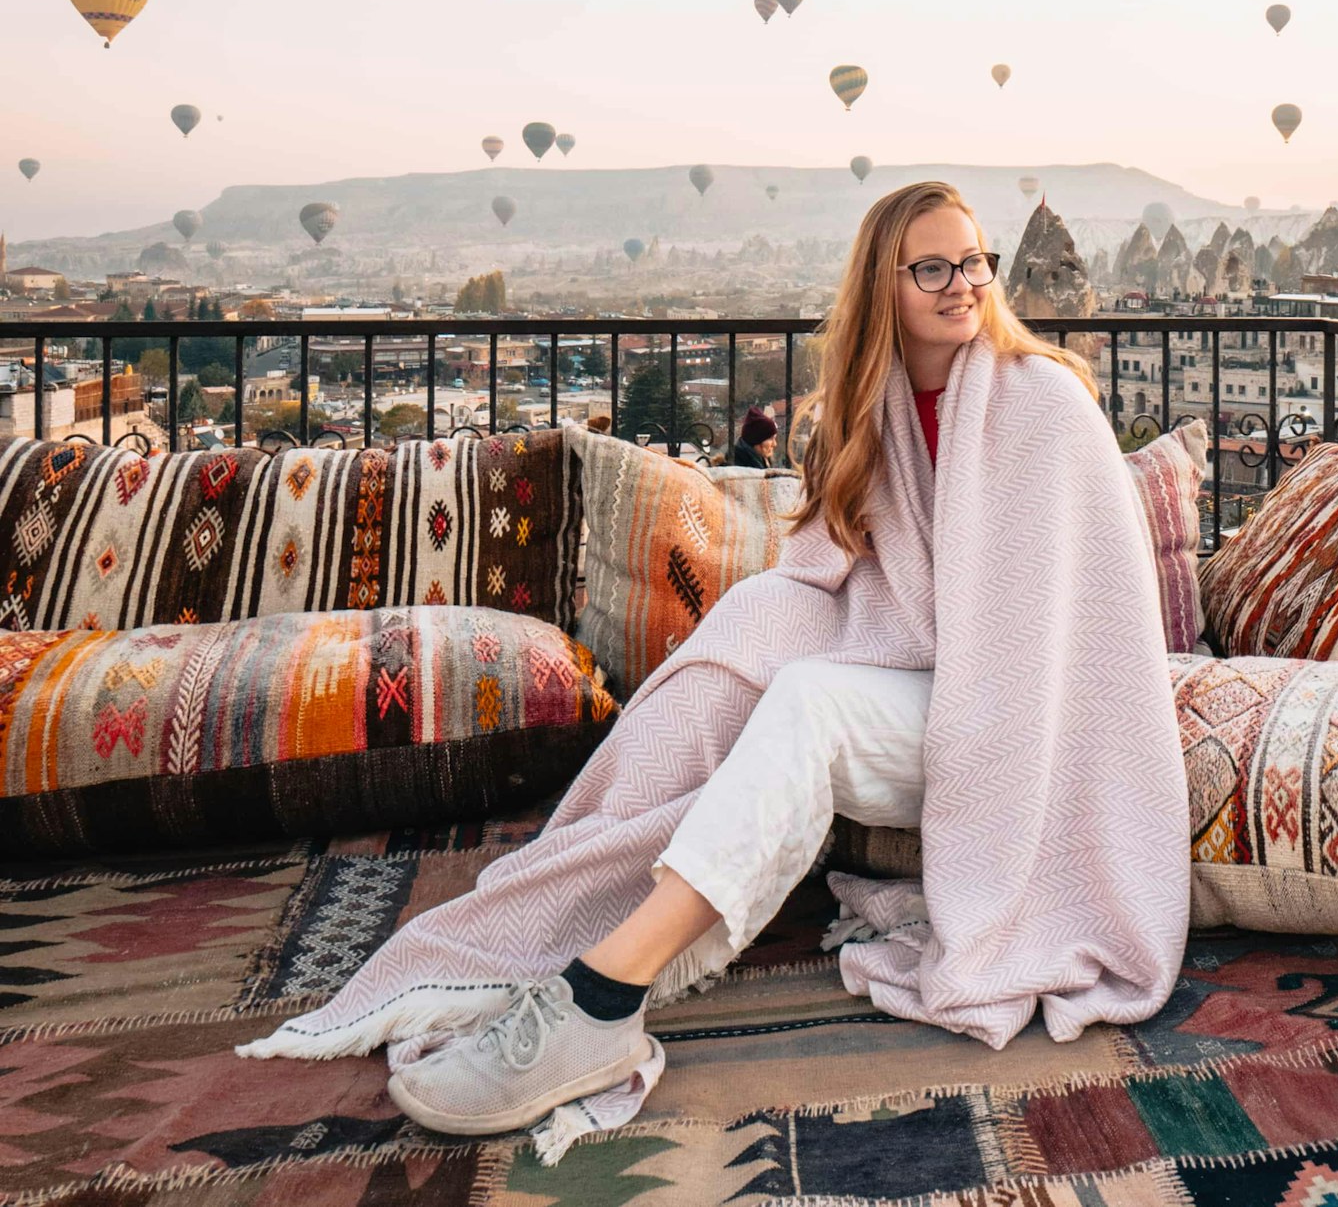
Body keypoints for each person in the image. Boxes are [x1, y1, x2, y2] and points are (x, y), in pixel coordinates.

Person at [238, 181, 1188, 1158]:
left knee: (811, 701)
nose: (964, 284)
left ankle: (600, 1000)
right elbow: (843, 578)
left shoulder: (1043, 404)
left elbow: (1077, 626)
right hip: (934, 699)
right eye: (933, 267)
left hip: (1022, 721)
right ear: (885, 285)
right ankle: (568, 922)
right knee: (742, 646)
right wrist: (756, 631)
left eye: (975, 261)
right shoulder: (879, 414)